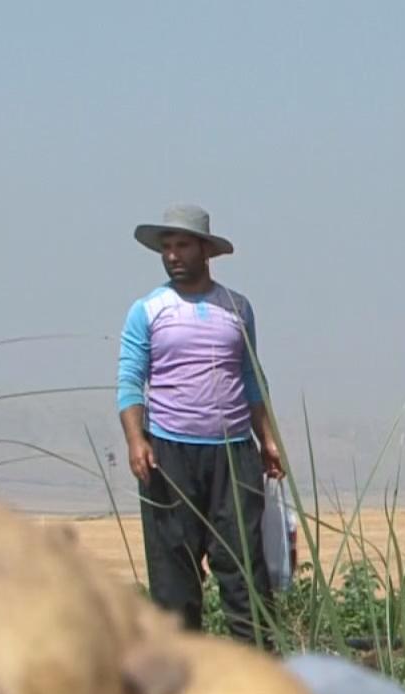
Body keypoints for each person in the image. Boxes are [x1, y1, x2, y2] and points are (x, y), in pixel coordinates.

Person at [117, 204, 285, 646]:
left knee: (244, 567)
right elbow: (130, 380)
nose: (173, 255)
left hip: (233, 452)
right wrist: (136, 440)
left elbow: (251, 377)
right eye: (167, 247)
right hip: (169, 453)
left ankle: (256, 666)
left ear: (205, 250)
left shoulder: (237, 308)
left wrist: (268, 439)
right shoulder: (148, 310)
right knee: (174, 574)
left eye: (183, 245)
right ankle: (183, 669)